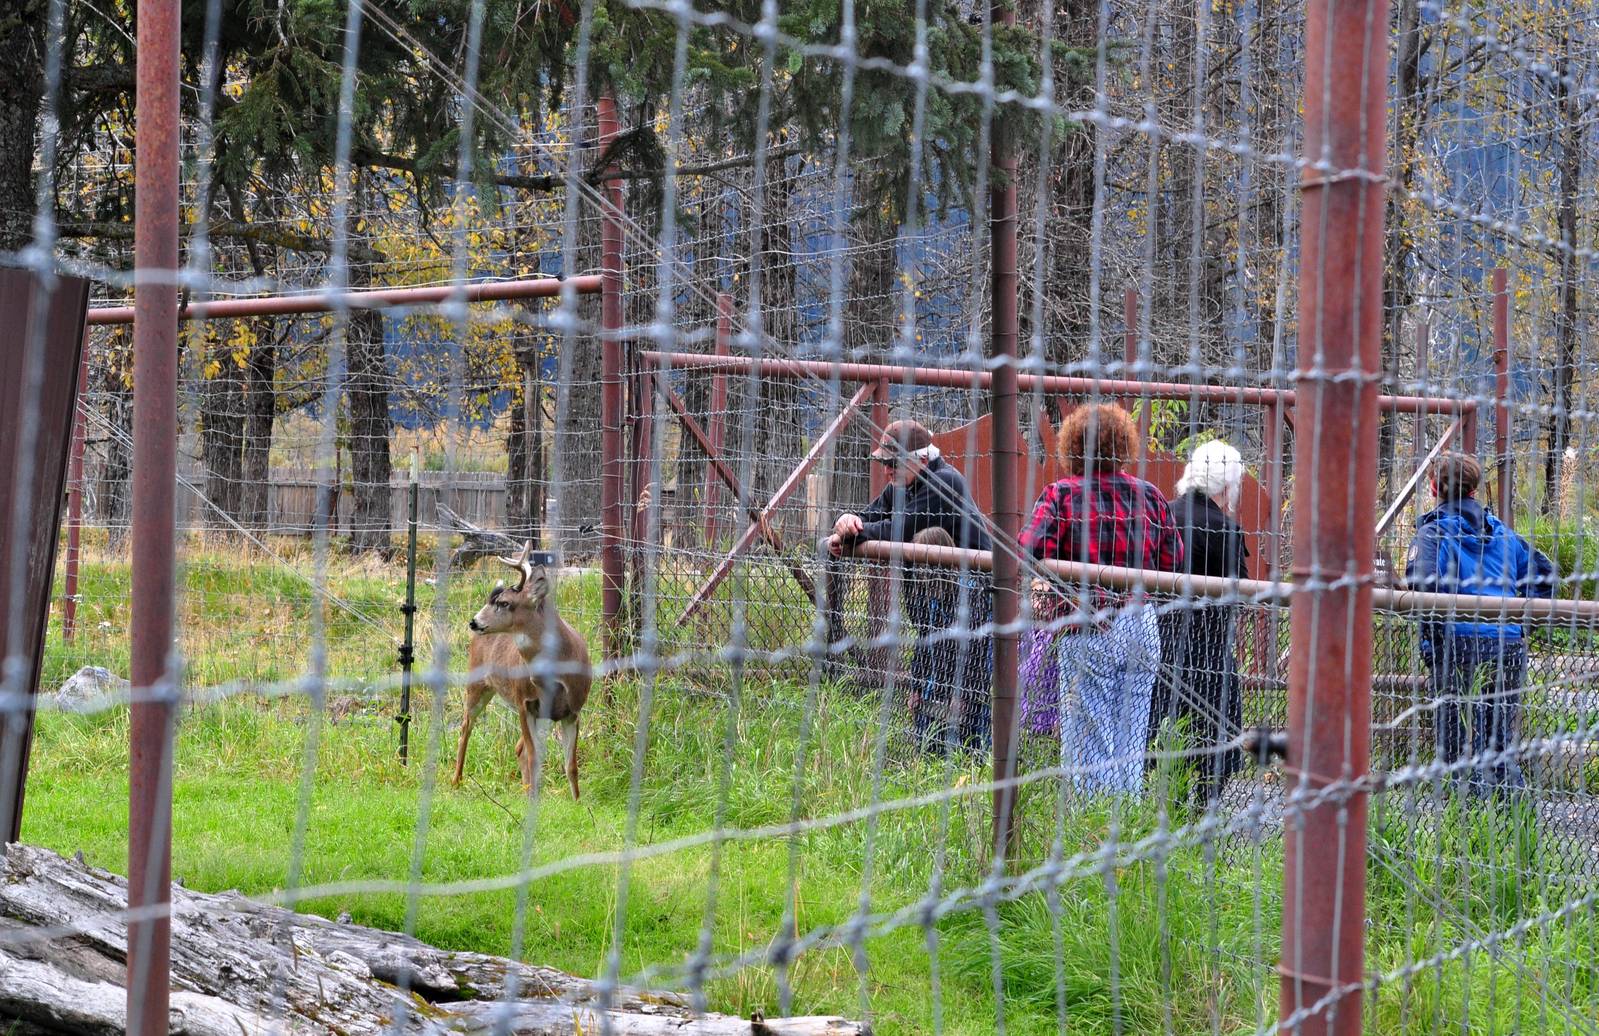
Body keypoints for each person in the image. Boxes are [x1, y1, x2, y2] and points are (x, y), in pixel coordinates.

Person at [1020, 403, 1185, 795]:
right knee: (1131, 736)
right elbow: (1173, 562)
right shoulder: (1150, 496)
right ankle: (1128, 825)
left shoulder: (1061, 495)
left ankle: (1092, 833)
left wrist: (1058, 575)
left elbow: (1026, 549)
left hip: (1087, 622)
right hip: (1140, 623)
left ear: (1072, 445)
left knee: (1088, 743)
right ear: (1124, 444)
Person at [824, 419, 993, 749]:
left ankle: (968, 753)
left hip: (968, 599)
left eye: (893, 463)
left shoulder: (944, 483)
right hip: (934, 594)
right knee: (930, 669)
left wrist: (856, 531)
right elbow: (871, 518)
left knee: (962, 685)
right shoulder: (904, 484)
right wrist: (845, 522)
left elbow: (898, 527)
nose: (887, 471)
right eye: (884, 463)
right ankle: (931, 747)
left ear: (921, 460)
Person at [1404, 453, 1554, 794]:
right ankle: (1510, 817)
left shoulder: (1432, 533)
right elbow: (1545, 576)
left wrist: (1438, 630)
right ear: (1475, 490)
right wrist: (1520, 624)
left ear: (1433, 487)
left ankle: (1463, 817)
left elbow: (1423, 584)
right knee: (1498, 743)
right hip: (1507, 646)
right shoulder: (1503, 534)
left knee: (1454, 743)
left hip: (1455, 648)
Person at [1147, 439, 1250, 805]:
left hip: (1160, 644)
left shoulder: (1162, 516)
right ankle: (1203, 811)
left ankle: (1163, 810)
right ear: (1227, 487)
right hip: (1210, 651)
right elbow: (1242, 593)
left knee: (1161, 732)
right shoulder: (1227, 530)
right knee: (1215, 736)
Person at [902, 526, 991, 753]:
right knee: (927, 750)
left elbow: (975, 654)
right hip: (933, 690)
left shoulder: (970, 597)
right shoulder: (929, 597)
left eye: (923, 565)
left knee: (964, 752)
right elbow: (923, 643)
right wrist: (916, 686)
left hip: (965, 692)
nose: (919, 572)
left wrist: (962, 694)